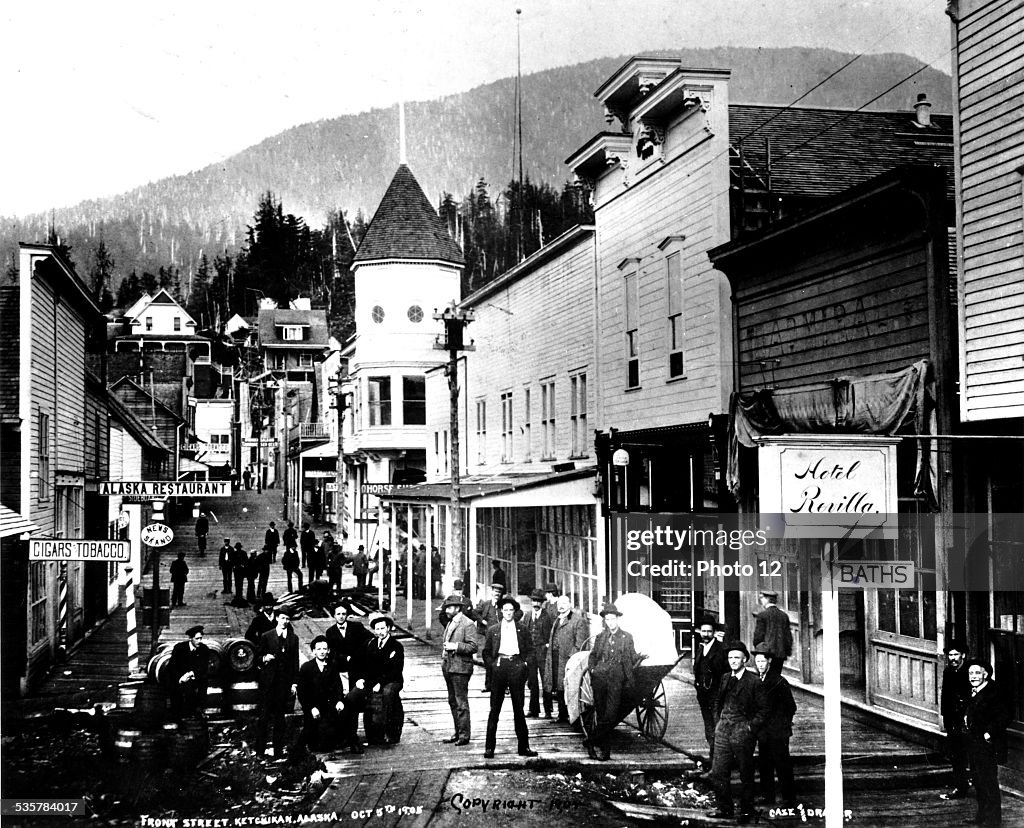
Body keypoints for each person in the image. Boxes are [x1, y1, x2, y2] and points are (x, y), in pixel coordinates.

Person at [707, 642, 767, 824]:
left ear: (745, 660)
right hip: (724, 730)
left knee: (745, 773)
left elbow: (764, 710)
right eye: (730, 658)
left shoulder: (753, 681)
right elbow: (718, 701)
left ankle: (746, 812)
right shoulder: (725, 678)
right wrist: (718, 722)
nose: (733, 661)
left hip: (742, 732)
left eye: (737, 658)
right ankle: (725, 808)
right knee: (718, 771)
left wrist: (749, 728)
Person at [482, 595, 538, 759]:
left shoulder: (522, 629)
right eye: (505, 610)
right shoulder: (493, 630)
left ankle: (524, 746)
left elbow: (530, 650)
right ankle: (489, 747)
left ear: (514, 612)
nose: (508, 613)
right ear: (500, 612)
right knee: (495, 709)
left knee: (518, 708)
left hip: (516, 666)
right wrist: (493, 665)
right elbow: (486, 653)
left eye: (510, 610)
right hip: (500, 666)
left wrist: (525, 665)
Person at [586, 603, 637, 761]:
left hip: (616, 680)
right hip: (600, 679)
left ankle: (590, 741)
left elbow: (631, 657)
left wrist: (640, 657)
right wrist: (593, 669)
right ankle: (605, 751)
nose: (610, 622)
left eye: (613, 619)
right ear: (605, 621)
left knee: (611, 715)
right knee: (602, 715)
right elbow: (593, 655)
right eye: (607, 619)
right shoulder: (601, 637)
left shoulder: (626, 637)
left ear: (617, 619)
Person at [964, 659, 1010, 826]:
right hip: (974, 743)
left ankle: (992, 821)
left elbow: (1004, 717)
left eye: (977, 673)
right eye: (970, 673)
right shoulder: (973, 691)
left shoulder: (994, 692)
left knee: (988, 781)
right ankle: (982, 815)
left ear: (986, 674)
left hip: (988, 745)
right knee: (978, 780)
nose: (973, 677)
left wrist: (988, 734)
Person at [752, 642, 796, 807]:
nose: (760, 665)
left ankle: (789, 798)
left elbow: (791, 707)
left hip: (778, 732)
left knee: (782, 763)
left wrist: (781, 725)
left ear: (769, 661)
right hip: (764, 732)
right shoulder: (759, 680)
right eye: (757, 662)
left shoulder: (778, 682)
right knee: (765, 764)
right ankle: (767, 795)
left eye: (763, 662)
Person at [255, 607, 300, 760]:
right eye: (282, 618)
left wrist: (294, 683)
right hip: (268, 685)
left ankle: (278, 751)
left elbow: (295, 662)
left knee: (280, 719)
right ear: (277, 619)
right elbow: (257, 657)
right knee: (264, 718)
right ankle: (260, 752)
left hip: (283, 684)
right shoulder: (266, 636)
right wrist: (264, 658)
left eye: (288, 619)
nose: (285, 621)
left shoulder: (293, 639)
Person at [355, 615, 404, 745]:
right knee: (364, 695)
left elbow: (395, 670)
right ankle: (372, 734)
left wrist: (380, 683)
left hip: (392, 680)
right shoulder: (370, 644)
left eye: (383, 628)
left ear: (388, 628)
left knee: (388, 694)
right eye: (377, 629)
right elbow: (363, 664)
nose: (380, 631)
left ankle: (389, 732)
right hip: (374, 680)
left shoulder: (396, 646)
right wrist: (361, 679)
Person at [296, 635, 348, 753]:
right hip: (313, 707)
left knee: (330, 742)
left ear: (328, 650)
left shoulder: (333, 665)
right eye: (319, 649)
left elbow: (338, 686)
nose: (322, 652)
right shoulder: (307, 668)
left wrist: (339, 701)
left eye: (324, 649)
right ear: (313, 651)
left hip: (329, 706)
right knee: (314, 743)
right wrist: (311, 708)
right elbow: (302, 693)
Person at [440, 594, 478, 747]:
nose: (447, 610)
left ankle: (464, 735)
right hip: (449, 666)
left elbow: (473, 646)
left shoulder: (467, 624)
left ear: (457, 608)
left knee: (461, 702)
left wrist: (455, 646)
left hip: (461, 668)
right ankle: (458, 732)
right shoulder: (451, 622)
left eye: (449, 607)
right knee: (452, 701)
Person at [545, 594, 590, 722]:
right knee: (557, 685)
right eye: (559, 604)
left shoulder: (578, 620)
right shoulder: (557, 619)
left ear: (570, 605)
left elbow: (580, 643)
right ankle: (562, 714)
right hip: (555, 657)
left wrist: (571, 658)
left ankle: (569, 714)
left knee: (565, 685)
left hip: (568, 659)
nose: (561, 606)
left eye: (564, 604)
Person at [939, 639, 972, 800]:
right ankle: (960, 787)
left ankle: (977, 785)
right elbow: (945, 696)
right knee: (956, 755)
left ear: (963, 655)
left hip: (968, 721)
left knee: (971, 754)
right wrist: (946, 718)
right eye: (950, 655)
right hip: (953, 721)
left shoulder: (970, 672)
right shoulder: (948, 672)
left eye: (955, 655)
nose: (952, 658)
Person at [693, 617, 729, 766]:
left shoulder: (721, 650)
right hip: (703, 695)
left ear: (714, 633)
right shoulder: (701, 648)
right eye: (703, 631)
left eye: (709, 631)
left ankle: (717, 759)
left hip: (716, 695)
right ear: (700, 632)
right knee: (708, 725)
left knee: (716, 725)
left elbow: (726, 673)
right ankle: (713, 756)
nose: (706, 634)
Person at [168, 625, 209, 718]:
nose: (199, 641)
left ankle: (199, 710)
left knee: (203, 681)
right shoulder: (179, 648)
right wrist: (181, 678)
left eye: (201, 638)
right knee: (179, 689)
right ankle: (180, 714)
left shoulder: (204, 649)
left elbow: (203, 667)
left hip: (194, 677)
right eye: (197, 638)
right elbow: (172, 666)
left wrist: (191, 674)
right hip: (180, 678)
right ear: (191, 638)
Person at [524, 588, 553, 718]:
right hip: (531, 653)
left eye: (538, 602)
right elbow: (524, 632)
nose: (536, 604)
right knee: (532, 681)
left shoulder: (547, 617)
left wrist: (547, 645)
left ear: (542, 603)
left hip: (543, 653)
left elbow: (551, 635)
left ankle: (548, 710)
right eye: (534, 601)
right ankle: (533, 709)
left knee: (546, 680)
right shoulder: (528, 616)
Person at [752, 591, 792, 677]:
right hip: (780, 653)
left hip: (765, 653)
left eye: (762, 598)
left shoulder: (762, 615)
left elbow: (758, 637)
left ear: (767, 599)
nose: (761, 601)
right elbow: (788, 637)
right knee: (776, 676)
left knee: (764, 677)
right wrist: (787, 651)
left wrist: (757, 649)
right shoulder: (784, 615)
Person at [475, 583, 504, 692]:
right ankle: (488, 685)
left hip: (501, 637)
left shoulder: (504, 605)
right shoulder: (486, 604)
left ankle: (503, 686)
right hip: (488, 637)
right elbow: (474, 612)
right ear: (491, 592)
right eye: (495, 592)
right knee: (488, 660)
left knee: (501, 661)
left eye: (499, 593)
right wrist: (482, 621)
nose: (497, 594)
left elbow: (517, 612)